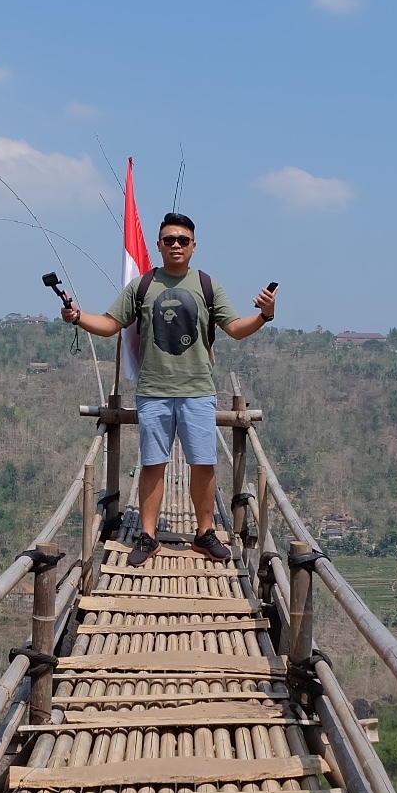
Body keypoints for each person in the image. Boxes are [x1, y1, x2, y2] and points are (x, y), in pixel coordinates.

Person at [62, 212, 277, 565]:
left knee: (203, 464)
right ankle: (148, 536)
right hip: (154, 391)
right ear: (159, 246)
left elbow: (236, 328)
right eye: (169, 240)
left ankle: (204, 534)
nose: (176, 245)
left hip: (198, 391)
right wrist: (77, 316)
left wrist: (265, 315)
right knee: (153, 464)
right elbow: (109, 324)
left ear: (194, 246)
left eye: (183, 240)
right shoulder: (142, 287)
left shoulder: (207, 286)